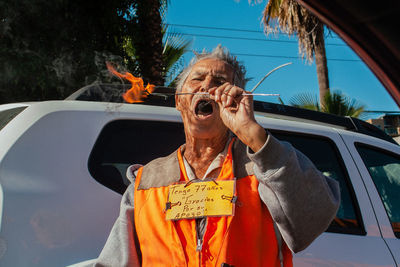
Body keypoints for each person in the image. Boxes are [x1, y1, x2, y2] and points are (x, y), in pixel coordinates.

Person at [94, 45, 340, 267]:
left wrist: (253, 134)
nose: (207, 85)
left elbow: (315, 216)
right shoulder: (146, 181)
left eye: (220, 81)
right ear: (179, 102)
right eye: (198, 78)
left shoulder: (263, 167)